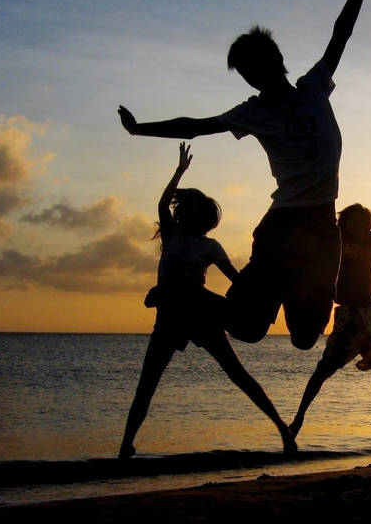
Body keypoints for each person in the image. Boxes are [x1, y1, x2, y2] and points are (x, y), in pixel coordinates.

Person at [117, 0, 371, 350]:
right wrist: (140, 129)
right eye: (246, 74)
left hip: (321, 227)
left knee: (305, 337)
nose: (253, 78)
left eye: (255, 68)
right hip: (283, 224)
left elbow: (341, 35)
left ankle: (281, 283)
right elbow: (195, 125)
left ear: (276, 59)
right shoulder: (252, 111)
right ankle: (180, 296)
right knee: (247, 329)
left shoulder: (314, 86)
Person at [119, 143, 296, 459]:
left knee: (238, 375)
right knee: (146, 386)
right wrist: (178, 173)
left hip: (201, 315)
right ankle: (125, 448)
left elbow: (237, 280)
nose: (206, 226)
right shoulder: (172, 237)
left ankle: (282, 428)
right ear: (190, 217)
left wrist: (261, 294)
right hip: (171, 319)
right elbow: (162, 204)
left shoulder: (211, 247)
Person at [288, 186, 371, 439]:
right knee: (323, 370)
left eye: (366, 221)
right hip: (347, 314)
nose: (362, 224)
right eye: (356, 220)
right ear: (346, 221)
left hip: (369, 313)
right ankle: (299, 416)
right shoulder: (335, 238)